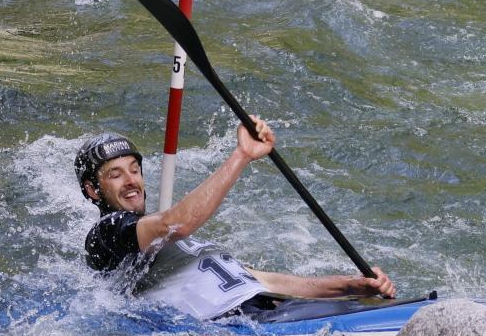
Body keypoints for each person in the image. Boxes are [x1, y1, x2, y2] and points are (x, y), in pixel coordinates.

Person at [75, 116, 396, 322]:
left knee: (361, 307)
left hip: (264, 307)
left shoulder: (177, 245)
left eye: (134, 169)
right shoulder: (107, 233)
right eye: (115, 175)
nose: (131, 180)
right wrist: (241, 155)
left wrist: (351, 286)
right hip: (235, 322)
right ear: (93, 190)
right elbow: (178, 222)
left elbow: (270, 282)